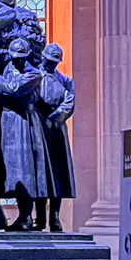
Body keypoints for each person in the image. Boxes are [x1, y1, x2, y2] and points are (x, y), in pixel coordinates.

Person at [0, 37, 53, 230]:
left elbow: (13, 89)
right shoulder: (8, 68)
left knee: (24, 169)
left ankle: (26, 216)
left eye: (21, 57)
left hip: (24, 122)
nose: (17, 61)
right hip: (6, 122)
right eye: (14, 57)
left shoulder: (34, 74)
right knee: (5, 170)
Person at [34, 42, 76, 231]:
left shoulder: (65, 81)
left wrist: (56, 117)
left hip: (57, 130)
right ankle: (40, 218)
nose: (51, 65)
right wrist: (41, 117)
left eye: (54, 62)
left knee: (57, 174)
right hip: (38, 127)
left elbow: (69, 101)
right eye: (49, 61)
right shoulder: (34, 75)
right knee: (40, 173)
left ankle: (55, 217)